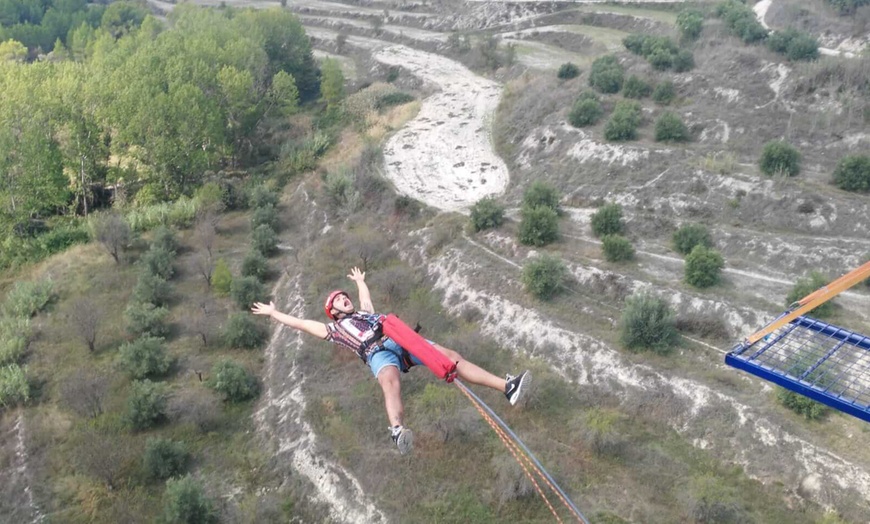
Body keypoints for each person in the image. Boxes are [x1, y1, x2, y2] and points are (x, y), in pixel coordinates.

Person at [251, 267, 531, 455]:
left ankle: (507, 387)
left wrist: (359, 282)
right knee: (389, 380)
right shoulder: (333, 330)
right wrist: (275, 314)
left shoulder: (367, 314)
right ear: (332, 311)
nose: (344, 299)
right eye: (339, 300)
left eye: (344, 296)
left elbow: (365, 299)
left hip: (399, 338)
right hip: (377, 353)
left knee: (451, 357)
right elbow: (300, 324)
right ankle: (397, 430)